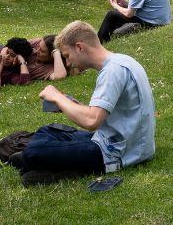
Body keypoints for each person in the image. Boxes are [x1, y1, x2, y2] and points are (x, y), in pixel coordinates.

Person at [20, 20, 155, 183]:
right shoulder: (123, 61)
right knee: (48, 130)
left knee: (34, 151)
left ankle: (59, 167)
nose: (69, 63)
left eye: (67, 56)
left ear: (80, 47)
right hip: (123, 142)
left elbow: (91, 120)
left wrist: (57, 96)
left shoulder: (112, 72)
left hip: (117, 153)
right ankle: (45, 159)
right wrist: (72, 106)